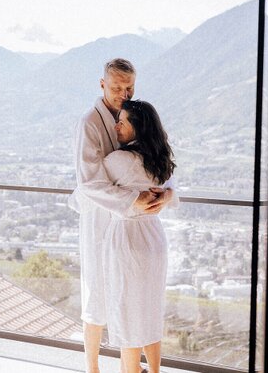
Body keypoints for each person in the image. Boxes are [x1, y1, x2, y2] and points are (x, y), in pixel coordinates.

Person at [70, 58, 173, 373]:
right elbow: (88, 182)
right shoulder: (89, 123)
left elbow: (161, 162)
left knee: (132, 301)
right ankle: (92, 368)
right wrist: (134, 199)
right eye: (117, 87)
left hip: (132, 225)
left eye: (129, 87)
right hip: (100, 219)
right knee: (97, 295)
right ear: (102, 84)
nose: (124, 94)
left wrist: (168, 195)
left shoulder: (138, 116)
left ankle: (130, 368)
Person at [104, 99, 177, 373]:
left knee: (128, 313)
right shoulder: (161, 159)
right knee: (149, 310)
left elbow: (89, 188)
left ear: (137, 128)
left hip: (128, 237)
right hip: (154, 237)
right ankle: (154, 370)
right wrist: (167, 195)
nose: (117, 126)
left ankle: (131, 371)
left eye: (122, 122)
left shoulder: (118, 161)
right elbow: (171, 192)